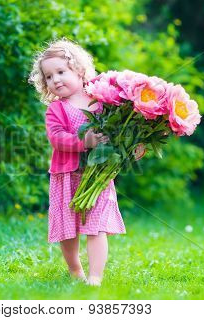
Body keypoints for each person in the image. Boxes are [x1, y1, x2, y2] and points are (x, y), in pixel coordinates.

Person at [28, 38, 126, 286]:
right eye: (49, 77)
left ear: (80, 71)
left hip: (98, 174)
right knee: (67, 226)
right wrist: (85, 141)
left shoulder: (101, 100)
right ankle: (75, 270)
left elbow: (119, 130)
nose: (55, 80)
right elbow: (57, 138)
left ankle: (95, 277)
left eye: (61, 72)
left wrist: (132, 146)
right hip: (66, 174)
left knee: (97, 225)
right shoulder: (56, 109)